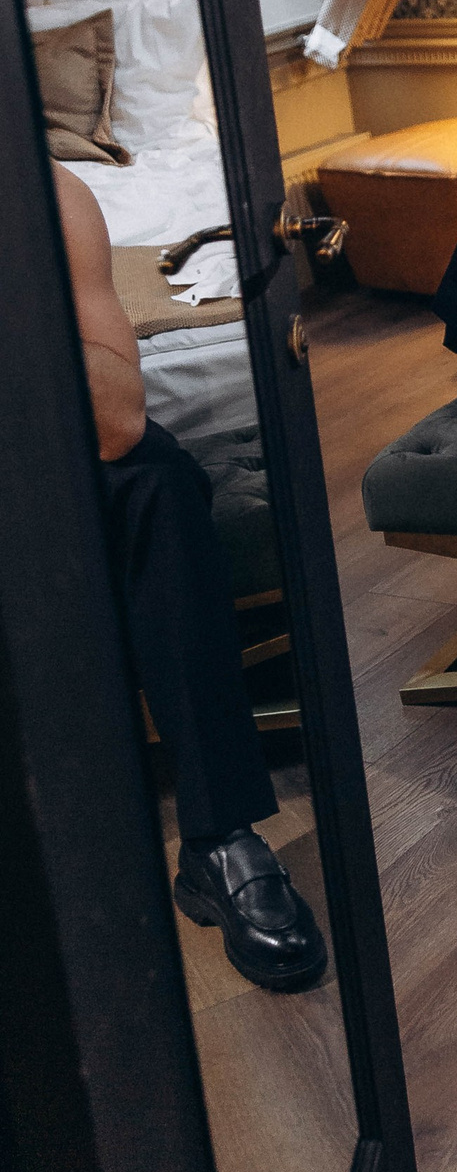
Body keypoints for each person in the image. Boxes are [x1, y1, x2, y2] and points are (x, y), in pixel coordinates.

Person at [55, 164, 327, 993]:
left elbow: (115, 421)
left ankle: (219, 836)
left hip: (54, 446)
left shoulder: (50, 197)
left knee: (159, 484)